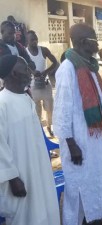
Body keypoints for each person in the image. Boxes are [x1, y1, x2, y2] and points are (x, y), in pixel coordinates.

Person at [53, 23, 102, 225]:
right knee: (78, 185)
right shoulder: (67, 68)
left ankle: (94, 216)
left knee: (95, 179)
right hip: (78, 141)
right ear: (81, 42)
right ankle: (75, 221)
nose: (98, 42)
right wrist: (71, 145)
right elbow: (61, 111)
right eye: (94, 38)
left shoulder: (90, 65)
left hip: (94, 139)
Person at [0, 55, 60, 225]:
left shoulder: (26, 98)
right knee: (25, 215)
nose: (30, 72)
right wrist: (12, 178)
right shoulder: (2, 103)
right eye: (25, 68)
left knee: (43, 207)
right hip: (19, 174)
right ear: (14, 73)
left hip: (37, 166)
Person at [26, 30, 58, 136]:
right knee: (37, 111)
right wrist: (32, 72)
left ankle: (49, 127)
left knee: (50, 108)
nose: (35, 41)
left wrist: (45, 72)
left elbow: (55, 62)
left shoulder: (43, 50)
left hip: (45, 84)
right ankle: (39, 131)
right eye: (32, 40)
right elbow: (23, 66)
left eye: (36, 39)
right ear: (27, 41)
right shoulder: (25, 53)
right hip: (33, 86)